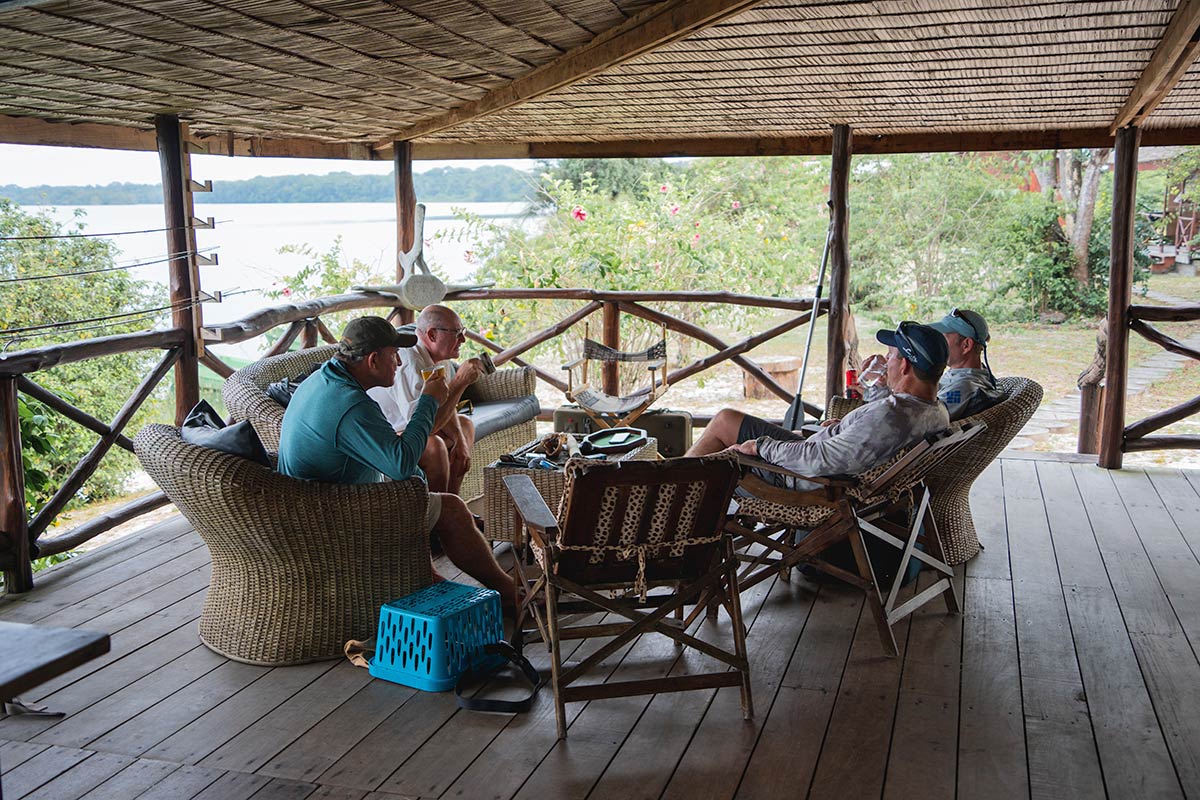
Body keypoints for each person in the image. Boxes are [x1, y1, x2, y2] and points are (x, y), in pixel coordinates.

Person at [277, 316, 517, 608]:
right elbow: (401, 465)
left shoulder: (323, 379)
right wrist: (428, 400)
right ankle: (511, 596)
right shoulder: (351, 405)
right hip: (331, 518)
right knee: (452, 510)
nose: (399, 362)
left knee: (419, 489)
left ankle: (427, 577)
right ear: (373, 360)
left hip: (313, 502)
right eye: (394, 355)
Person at [687, 322, 951, 491]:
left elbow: (820, 459)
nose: (885, 361)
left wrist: (760, 447)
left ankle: (674, 494)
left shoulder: (890, 417)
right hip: (822, 457)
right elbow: (868, 437)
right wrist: (847, 425)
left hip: (802, 476)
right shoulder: (935, 412)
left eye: (891, 356)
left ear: (904, 366)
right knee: (728, 419)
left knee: (723, 423)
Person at [368, 305, 483, 496]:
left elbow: (442, 403)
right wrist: (460, 382)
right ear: (432, 335)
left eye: (462, 332)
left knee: (465, 425)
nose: (463, 339)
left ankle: (453, 501)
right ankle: (439, 509)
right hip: (388, 435)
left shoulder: (440, 358)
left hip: (411, 427)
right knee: (434, 445)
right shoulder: (408, 362)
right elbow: (423, 427)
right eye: (457, 333)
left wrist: (460, 440)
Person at [862, 308, 1003, 421]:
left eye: (943, 338)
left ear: (966, 345)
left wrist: (882, 387)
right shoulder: (974, 376)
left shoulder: (963, 388)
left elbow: (912, 420)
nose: (936, 343)